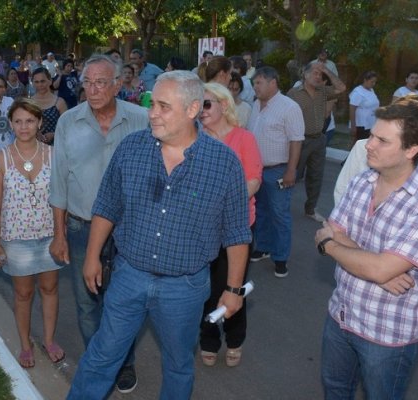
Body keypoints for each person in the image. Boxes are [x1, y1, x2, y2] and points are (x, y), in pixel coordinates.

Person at [66, 70, 250, 399]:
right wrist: (92, 256)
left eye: (164, 107)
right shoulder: (131, 149)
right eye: (152, 104)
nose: (152, 113)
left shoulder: (223, 163)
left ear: (193, 110)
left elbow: (236, 232)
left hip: (186, 287)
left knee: (179, 364)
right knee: (101, 357)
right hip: (128, 277)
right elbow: (107, 205)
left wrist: (233, 290)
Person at [49, 54, 149, 394]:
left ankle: (126, 363)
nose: (92, 89)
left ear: (118, 85)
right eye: (87, 82)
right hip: (81, 228)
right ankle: (100, 362)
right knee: (87, 303)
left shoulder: (142, 120)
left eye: (101, 82)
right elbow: (59, 182)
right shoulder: (68, 122)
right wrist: (58, 233)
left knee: (126, 302)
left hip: (129, 231)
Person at [315, 97, 418, 400]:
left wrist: (329, 245)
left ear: (411, 150)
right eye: (371, 134)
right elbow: (331, 229)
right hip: (341, 315)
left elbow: (329, 237)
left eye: (381, 140)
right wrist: (379, 269)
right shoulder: (363, 179)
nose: (368, 144)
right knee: (335, 390)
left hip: (386, 334)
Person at [0, 98, 64, 368]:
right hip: (16, 239)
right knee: (23, 294)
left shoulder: (54, 155)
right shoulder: (2, 157)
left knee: (50, 288)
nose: (24, 126)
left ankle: (49, 339)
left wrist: (61, 235)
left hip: (49, 236)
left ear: (40, 122)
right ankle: (25, 344)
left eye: (30, 121)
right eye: (18, 121)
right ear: (10, 124)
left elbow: (60, 199)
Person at [198, 82, 262, 368]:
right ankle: (209, 340)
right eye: (198, 104)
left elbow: (254, 180)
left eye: (207, 103)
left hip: (237, 227)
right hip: (202, 230)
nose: (201, 110)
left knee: (233, 287)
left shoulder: (244, 138)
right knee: (206, 290)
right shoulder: (195, 139)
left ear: (224, 105)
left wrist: (225, 203)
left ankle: (235, 340)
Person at [247, 66, 304, 278]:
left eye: (259, 83)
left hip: (278, 170)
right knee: (260, 211)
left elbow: (296, 140)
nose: (256, 87)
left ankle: (280, 258)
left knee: (279, 214)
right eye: (254, 83)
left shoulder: (289, 107)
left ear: (273, 83)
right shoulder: (255, 105)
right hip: (256, 170)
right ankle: (263, 247)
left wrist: (291, 170)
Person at [287, 62, 346, 222]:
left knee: (316, 177)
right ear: (304, 75)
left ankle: (311, 209)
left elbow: (341, 88)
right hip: (299, 140)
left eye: (320, 74)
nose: (318, 76)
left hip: (319, 139)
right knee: (292, 174)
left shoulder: (323, 92)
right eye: (314, 73)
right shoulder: (293, 93)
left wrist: (326, 69)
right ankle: (280, 203)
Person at [31, 67, 67, 145]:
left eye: (42, 81)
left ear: (50, 81)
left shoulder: (59, 102)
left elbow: (67, 127)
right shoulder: (29, 102)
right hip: (34, 147)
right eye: (36, 82)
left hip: (56, 146)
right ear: (33, 83)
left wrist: (54, 134)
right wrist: (35, 133)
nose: (40, 85)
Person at [349, 70, 379, 143]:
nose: (373, 84)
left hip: (371, 124)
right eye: (372, 82)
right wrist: (353, 127)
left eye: (375, 82)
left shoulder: (371, 90)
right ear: (365, 80)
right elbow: (352, 110)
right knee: (359, 146)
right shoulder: (358, 92)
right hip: (361, 125)